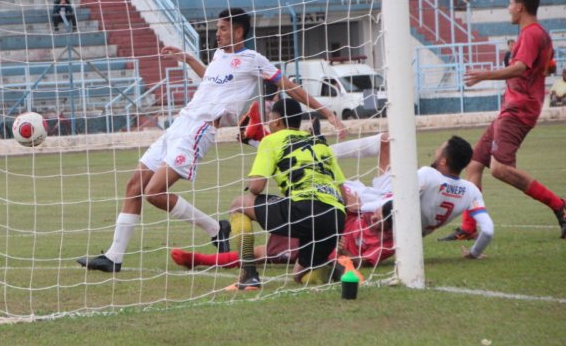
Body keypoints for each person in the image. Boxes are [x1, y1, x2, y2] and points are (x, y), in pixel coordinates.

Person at [76, 8, 345, 273]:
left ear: (238, 31)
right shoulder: (217, 56)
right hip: (179, 124)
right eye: (217, 28)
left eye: (223, 28)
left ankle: (214, 227)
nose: (217, 33)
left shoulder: (253, 59)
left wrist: (325, 111)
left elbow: (288, 86)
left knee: (154, 192)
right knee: (134, 185)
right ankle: (114, 257)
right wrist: (188, 59)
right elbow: (211, 81)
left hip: (200, 130)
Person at [172, 132, 494, 273]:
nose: (434, 151)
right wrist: (473, 253)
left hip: (364, 225)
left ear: (442, 159)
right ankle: (310, 150)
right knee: (383, 141)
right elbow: (488, 230)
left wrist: (356, 207)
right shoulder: (470, 191)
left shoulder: (425, 174)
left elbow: (390, 206)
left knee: (286, 244)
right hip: (390, 241)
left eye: (438, 149)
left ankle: (202, 260)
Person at [441, 0, 565, 241]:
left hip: (519, 110)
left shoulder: (531, 34)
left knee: (500, 169)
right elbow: (547, 65)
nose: (508, 8)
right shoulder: (537, 34)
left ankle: (560, 206)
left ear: (520, 7)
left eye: (510, 3)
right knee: (474, 163)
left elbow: (519, 68)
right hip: (511, 108)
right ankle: (468, 227)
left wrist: (483, 75)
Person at [218, 98, 348, 290]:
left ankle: (248, 275)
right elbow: (344, 196)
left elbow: (256, 188)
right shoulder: (319, 143)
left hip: (304, 208)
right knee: (299, 274)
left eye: (270, 119)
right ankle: (337, 271)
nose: (268, 124)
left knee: (239, 204)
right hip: (335, 217)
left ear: (277, 122)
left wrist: (252, 178)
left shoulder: (271, 140)